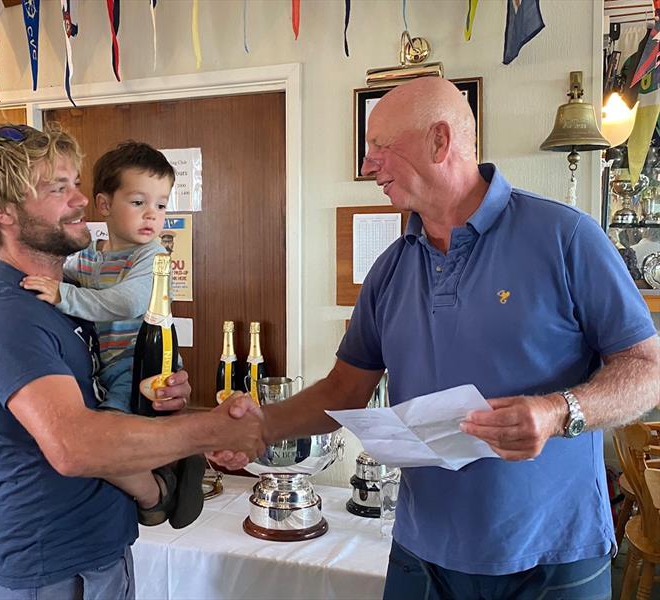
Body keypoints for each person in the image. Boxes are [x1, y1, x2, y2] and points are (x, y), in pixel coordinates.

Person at [212, 77, 660, 600]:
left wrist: (559, 412)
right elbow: (343, 392)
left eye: (380, 146)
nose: (366, 165)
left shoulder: (567, 237)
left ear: (439, 141)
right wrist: (259, 427)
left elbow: (648, 368)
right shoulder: (390, 268)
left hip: (552, 556)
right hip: (424, 556)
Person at [0, 123, 264, 599]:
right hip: (50, 565)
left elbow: (95, 399)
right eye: (59, 188)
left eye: (76, 182)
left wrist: (154, 392)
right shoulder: (7, 314)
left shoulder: (65, 297)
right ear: (2, 210)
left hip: (101, 545)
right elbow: (76, 445)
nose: (81, 199)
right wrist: (210, 433)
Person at [19, 140, 203, 529]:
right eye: (138, 202)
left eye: (162, 204)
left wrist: (62, 295)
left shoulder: (151, 256)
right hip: (106, 364)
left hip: (141, 362)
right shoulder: (90, 257)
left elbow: (124, 303)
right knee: (109, 436)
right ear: (104, 205)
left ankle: (156, 492)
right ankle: (170, 460)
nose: (152, 215)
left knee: (102, 442)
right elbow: (64, 273)